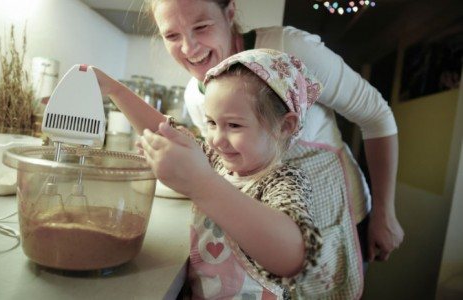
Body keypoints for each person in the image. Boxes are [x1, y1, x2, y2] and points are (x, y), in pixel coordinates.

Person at [145, 0, 404, 271]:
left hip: (340, 221)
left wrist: (384, 214)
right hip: (270, 236)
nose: (189, 48)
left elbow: (376, 116)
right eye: (172, 35)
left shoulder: (289, 49)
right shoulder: (194, 96)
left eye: (201, 26)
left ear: (229, 12)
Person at [93, 49, 323, 298]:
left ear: (284, 126)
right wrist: (113, 89)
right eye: (212, 123)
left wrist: (201, 183)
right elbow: (163, 131)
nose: (216, 140)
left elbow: (292, 257)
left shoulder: (283, 181)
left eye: (234, 125)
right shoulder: (217, 162)